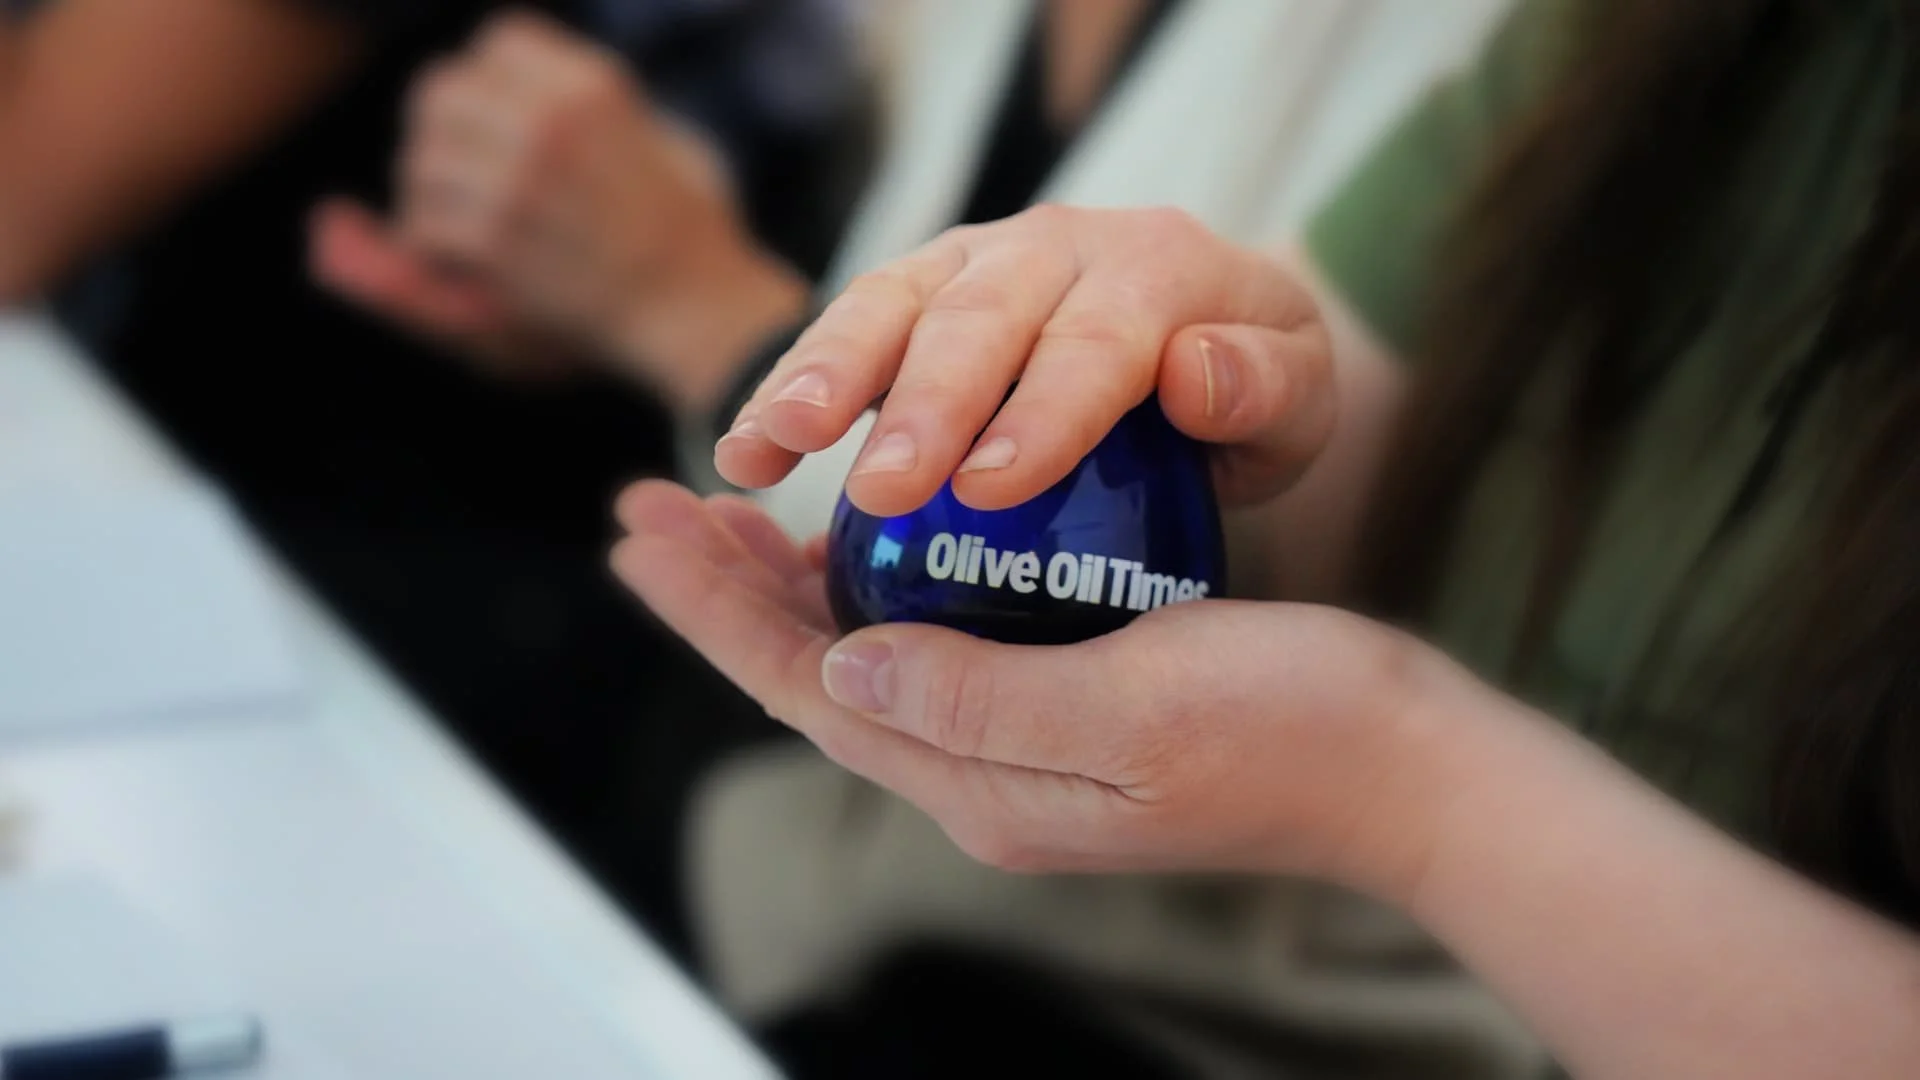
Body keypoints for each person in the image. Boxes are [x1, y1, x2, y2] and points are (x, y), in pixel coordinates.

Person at [615, 0, 1920, 1075]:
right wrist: (1182, 371)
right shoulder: (1688, 39)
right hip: (1073, 966)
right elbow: (1273, 508)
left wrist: (1407, 787)